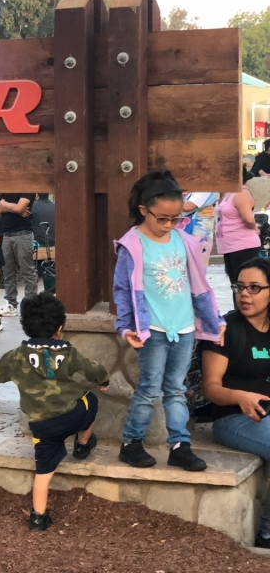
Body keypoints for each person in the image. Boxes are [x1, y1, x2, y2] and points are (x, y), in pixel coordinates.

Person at [113, 170, 224, 470]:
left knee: (176, 389)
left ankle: (179, 445)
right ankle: (131, 443)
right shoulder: (131, 245)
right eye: (162, 218)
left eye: (175, 218)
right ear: (143, 210)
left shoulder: (184, 241)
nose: (169, 225)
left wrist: (214, 322)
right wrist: (124, 328)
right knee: (149, 388)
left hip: (185, 329)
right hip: (153, 331)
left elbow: (200, 285)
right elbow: (123, 291)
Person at [0, 293, 110, 531]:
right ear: (60, 328)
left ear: (25, 326)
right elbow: (93, 369)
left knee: (43, 471)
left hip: (42, 427)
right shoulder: (69, 353)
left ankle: (38, 518)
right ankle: (83, 443)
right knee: (90, 401)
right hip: (72, 416)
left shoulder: (17, 356)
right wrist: (103, 380)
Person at [200, 258, 270, 548]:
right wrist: (241, 397)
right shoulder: (226, 329)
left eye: (255, 288)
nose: (244, 294)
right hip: (233, 419)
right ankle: (267, 533)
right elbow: (211, 388)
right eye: (240, 287)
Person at [216, 168, 261, 284]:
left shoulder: (242, 193)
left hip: (242, 246)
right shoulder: (230, 193)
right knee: (235, 284)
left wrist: (254, 227)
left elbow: (248, 219)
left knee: (244, 284)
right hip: (230, 246)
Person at [0, 194, 37, 317]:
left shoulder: (27, 185)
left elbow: (18, 208)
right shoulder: (3, 187)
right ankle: (10, 304)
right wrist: (15, 208)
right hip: (5, 233)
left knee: (27, 271)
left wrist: (5, 205)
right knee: (7, 272)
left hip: (24, 233)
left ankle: (31, 305)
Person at [181, 192, 218, 268]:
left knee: (195, 270)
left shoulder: (207, 189)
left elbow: (187, 207)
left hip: (199, 236)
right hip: (190, 234)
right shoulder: (193, 190)